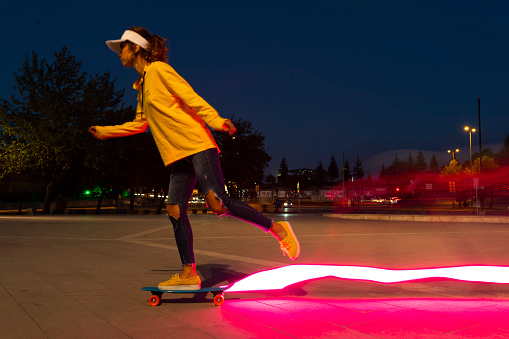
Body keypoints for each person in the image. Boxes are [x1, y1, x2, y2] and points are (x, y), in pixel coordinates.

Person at [89, 27, 300, 291]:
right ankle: (189, 273)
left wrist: (215, 120)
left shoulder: (159, 71)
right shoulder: (142, 86)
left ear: (135, 48)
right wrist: (106, 132)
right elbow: (140, 123)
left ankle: (277, 229)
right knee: (174, 209)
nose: (119, 54)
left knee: (218, 201)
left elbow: (190, 97)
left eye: (122, 48)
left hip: (196, 145)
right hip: (178, 156)